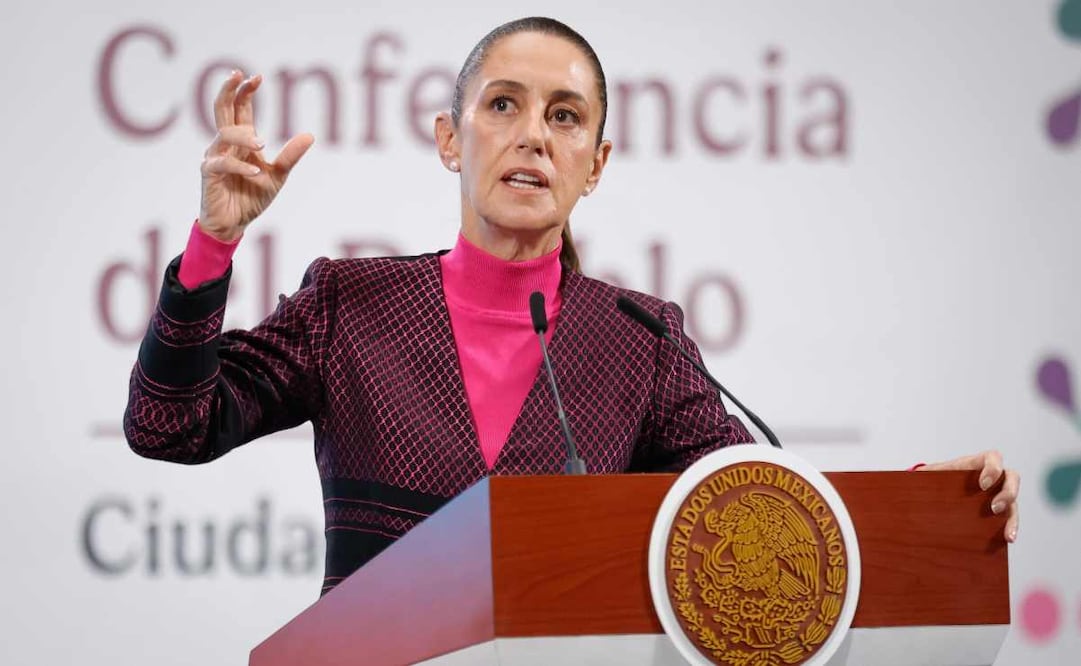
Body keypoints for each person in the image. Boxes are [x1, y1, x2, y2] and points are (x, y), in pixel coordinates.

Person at [123, 17, 1020, 597]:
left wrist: (926, 507)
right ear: (448, 139)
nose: (531, 136)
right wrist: (215, 242)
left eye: (564, 116)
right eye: (502, 104)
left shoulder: (641, 340)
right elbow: (169, 425)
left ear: (596, 162)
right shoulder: (350, 305)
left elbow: (756, 519)